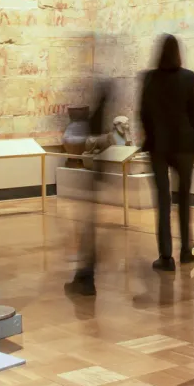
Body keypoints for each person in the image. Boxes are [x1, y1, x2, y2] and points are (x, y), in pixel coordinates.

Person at [139, 35, 194, 272]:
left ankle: (166, 256)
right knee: (184, 199)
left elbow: (143, 112)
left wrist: (149, 136)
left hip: (159, 146)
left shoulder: (149, 78)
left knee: (163, 202)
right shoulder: (187, 77)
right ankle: (187, 249)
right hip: (184, 144)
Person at [66, 79, 114, 297]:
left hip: (93, 179)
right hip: (95, 178)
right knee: (88, 227)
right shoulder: (98, 118)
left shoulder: (97, 119)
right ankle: (84, 275)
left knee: (88, 228)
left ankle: (85, 277)